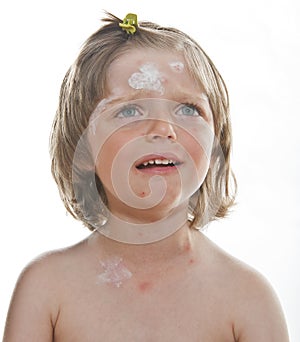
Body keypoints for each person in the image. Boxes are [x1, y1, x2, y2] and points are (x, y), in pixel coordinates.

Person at [3, 12, 289, 341]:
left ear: (213, 145)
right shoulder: (47, 290)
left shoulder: (247, 298)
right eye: (130, 111)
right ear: (83, 150)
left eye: (187, 109)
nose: (164, 129)